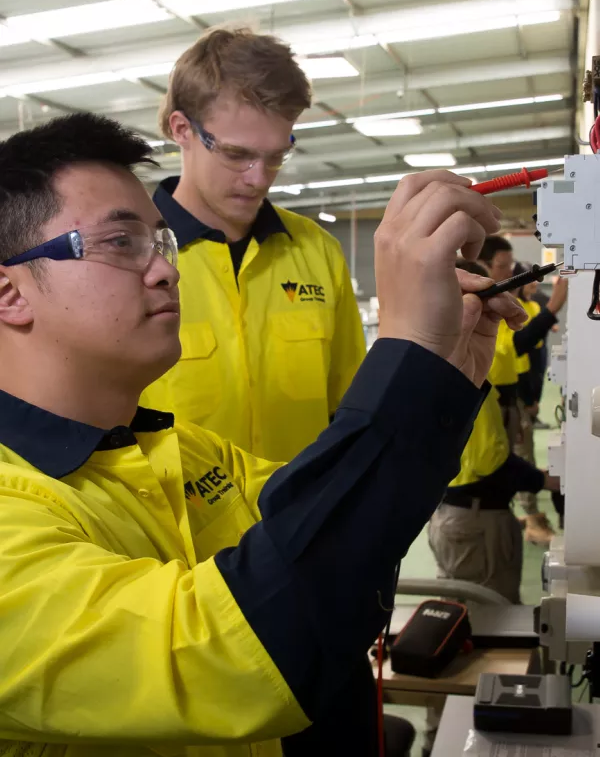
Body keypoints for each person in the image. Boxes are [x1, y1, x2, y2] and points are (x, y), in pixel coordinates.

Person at [0, 113, 525, 757]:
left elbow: (323, 531)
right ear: (9, 292)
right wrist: (407, 353)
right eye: (119, 243)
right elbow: (222, 654)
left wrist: (442, 368)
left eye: (160, 244)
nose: (167, 271)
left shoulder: (177, 450)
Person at [141, 27, 366, 463]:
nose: (259, 178)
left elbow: (349, 405)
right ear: (182, 129)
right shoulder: (130, 261)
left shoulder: (316, 252)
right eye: (236, 154)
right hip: (177, 530)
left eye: (277, 157)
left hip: (304, 521)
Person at [428, 260, 559, 604]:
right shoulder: (460, 381)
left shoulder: (436, 366)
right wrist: (545, 481)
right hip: (474, 522)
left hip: (455, 518)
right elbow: (489, 465)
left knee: (464, 616)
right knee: (488, 621)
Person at [478, 238, 567, 545]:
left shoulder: (504, 300)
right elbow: (513, 347)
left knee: (516, 452)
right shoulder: (480, 303)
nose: (510, 274)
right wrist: (552, 309)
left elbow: (520, 359)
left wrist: (527, 399)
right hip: (489, 399)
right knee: (509, 455)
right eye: (503, 267)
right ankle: (528, 517)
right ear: (482, 266)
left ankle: (522, 512)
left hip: (507, 395)